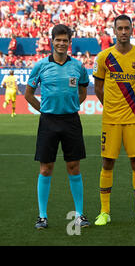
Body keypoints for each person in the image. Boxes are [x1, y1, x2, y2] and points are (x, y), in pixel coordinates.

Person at [24, 24, 90, 230]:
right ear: (52, 41)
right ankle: (42, 216)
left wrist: (71, 107)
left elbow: (83, 92)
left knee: (74, 167)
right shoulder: (41, 65)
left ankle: (79, 214)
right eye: (58, 39)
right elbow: (28, 94)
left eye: (65, 40)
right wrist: (44, 111)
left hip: (71, 121)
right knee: (46, 168)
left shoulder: (78, 66)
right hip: (48, 122)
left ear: (70, 43)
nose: (62, 43)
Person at [92, 15, 135, 226]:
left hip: (134, 118)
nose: (124, 32)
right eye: (120, 28)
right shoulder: (104, 57)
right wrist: (110, 106)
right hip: (111, 119)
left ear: (132, 30)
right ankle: (104, 212)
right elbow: (98, 88)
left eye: (127, 28)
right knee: (108, 162)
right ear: (114, 31)